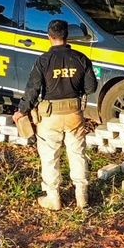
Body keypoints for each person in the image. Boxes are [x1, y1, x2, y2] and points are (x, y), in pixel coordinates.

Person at [14, 20, 98, 211]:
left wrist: (22, 110)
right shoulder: (81, 58)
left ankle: (53, 199)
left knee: (50, 155)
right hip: (74, 114)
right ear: (67, 35)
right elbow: (91, 87)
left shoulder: (43, 61)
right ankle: (82, 197)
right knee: (77, 153)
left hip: (50, 115)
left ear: (49, 37)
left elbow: (32, 90)